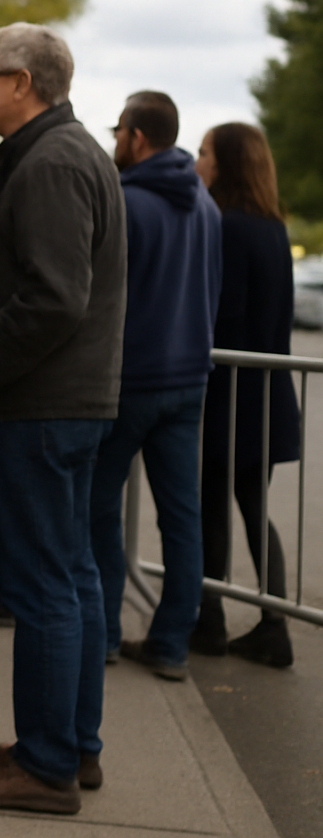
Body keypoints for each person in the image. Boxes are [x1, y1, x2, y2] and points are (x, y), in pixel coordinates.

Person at [0, 23, 126, 815]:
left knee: (44, 585)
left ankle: (45, 764)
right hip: (55, 407)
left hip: (35, 410)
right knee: (71, 578)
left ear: (21, 83)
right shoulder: (62, 155)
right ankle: (69, 745)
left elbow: (54, 296)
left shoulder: (51, 161)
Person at [86, 92, 221, 683]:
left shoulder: (124, 201)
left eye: (119, 130)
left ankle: (106, 633)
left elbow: (100, 296)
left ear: (137, 136)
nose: (115, 140)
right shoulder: (207, 208)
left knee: (97, 510)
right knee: (181, 518)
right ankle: (170, 644)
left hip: (128, 379)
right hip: (189, 379)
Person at [191, 123, 301, 668]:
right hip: (267, 394)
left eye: (205, 150)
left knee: (212, 508)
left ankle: (208, 621)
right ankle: (272, 624)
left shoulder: (229, 225)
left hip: (231, 393)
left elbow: (224, 314)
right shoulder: (271, 225)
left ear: (227, 163)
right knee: (254, 508)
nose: (198, 159)